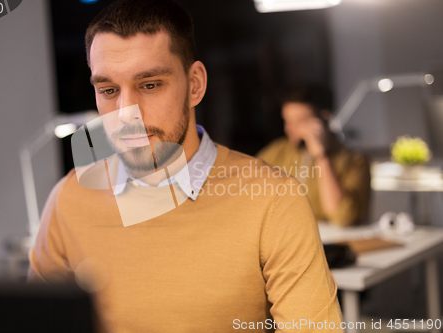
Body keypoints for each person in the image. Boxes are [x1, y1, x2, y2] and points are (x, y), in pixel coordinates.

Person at [28, 1, 343, 332]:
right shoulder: (68, 199)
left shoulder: (274, 201)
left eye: (150, 85)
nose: (126, 114)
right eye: (108, 90)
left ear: (195, 84)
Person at [257, 85, 370, 226]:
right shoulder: (278, 151)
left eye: (299, 121)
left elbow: (342, 216)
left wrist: (321, 157)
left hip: (327, 243)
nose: (289, 129)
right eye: (287, 121)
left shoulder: (354, 161)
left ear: (324, 118)